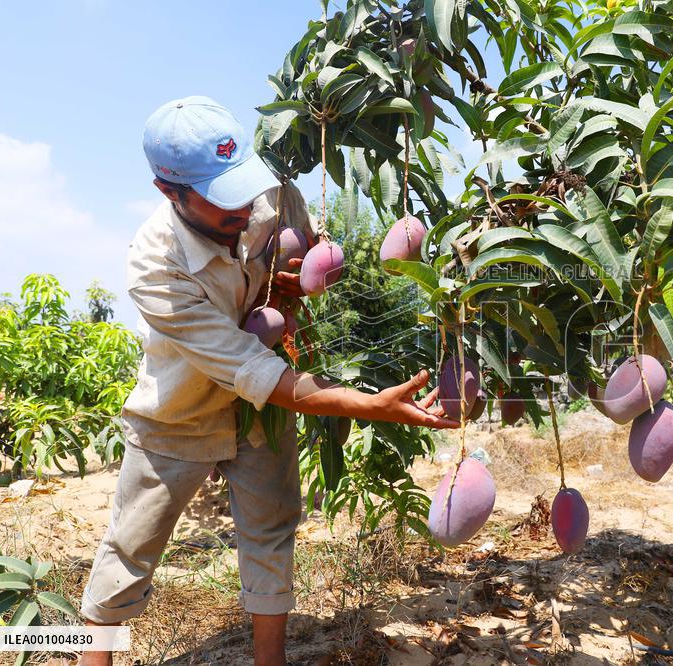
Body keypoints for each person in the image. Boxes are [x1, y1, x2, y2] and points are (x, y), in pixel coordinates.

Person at [78, 96, 456, 666]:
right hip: (178, 412)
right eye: (219, 197)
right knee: (129, 548)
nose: (243, 207)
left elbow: (296, 271)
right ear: (169, 192)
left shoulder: (274, 198)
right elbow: (249, 368)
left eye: (241, 187)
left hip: (261, 412)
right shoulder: (155, 266)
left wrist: (292, 292)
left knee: (272, 530)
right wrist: (367, 405)